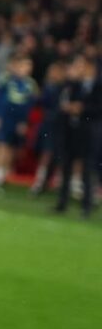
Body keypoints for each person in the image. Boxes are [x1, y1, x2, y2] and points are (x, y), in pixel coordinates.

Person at [0, 54, 37, 191]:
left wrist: (24, 121)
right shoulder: (5, 79)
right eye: (23, 65)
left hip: (16, 120)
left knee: (10, 146)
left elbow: (28, 106)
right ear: (16, 66)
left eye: (29, 66)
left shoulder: (30, 85)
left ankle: (2, 173)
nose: (26, 69)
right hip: (3, 116)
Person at [55, 55, 99, 217]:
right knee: (66, 167)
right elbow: (62, 101)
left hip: (89, 134)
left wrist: (82, 109)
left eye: (81, 65)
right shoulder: (74, 85)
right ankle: (62, 203)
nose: (78, 68)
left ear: (89, 67)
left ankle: (86, 207)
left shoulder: (98, 86)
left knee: (87, 170)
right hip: (71, 131)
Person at [31, 62, 67, 194]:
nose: (53, 74)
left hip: (60, 124)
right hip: (49, 124)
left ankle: (54, 181)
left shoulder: (65, 88)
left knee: (57, 154)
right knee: (46, 152)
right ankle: (40, 181)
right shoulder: (49, 86)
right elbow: (41, 103)